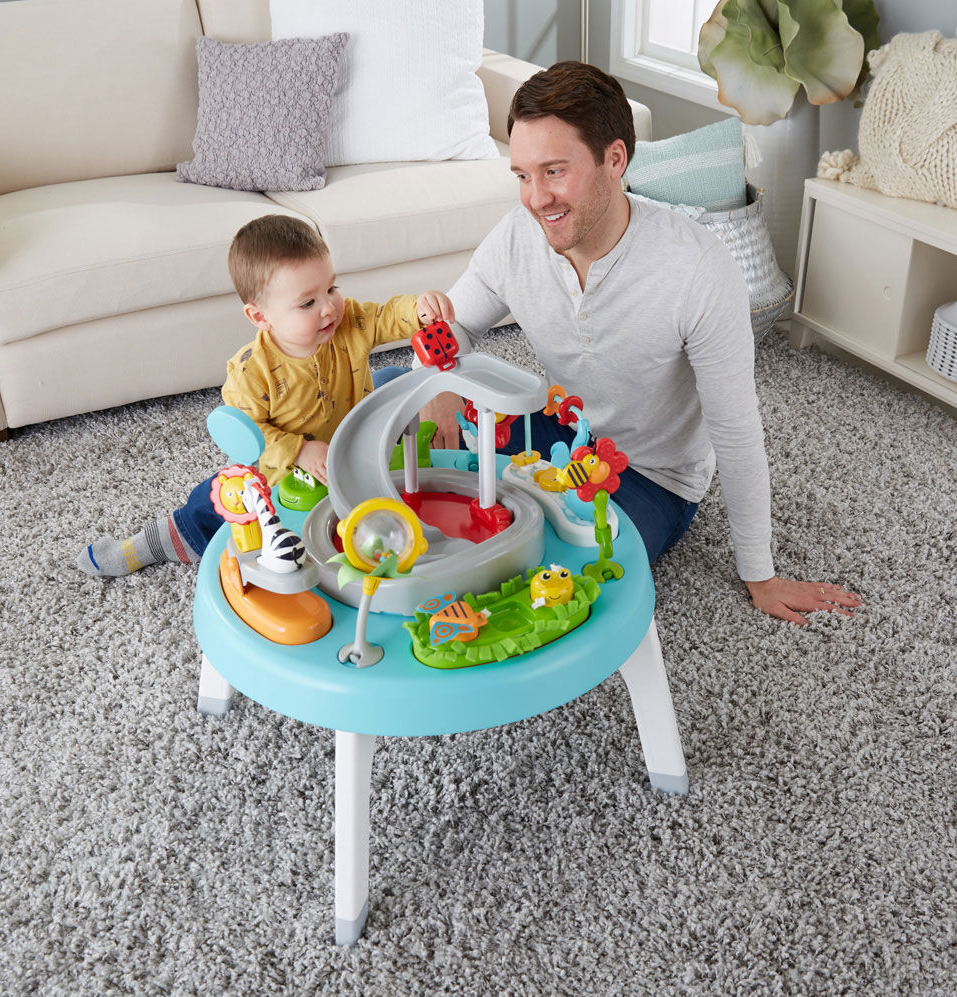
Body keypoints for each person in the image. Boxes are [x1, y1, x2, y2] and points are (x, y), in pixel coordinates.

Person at [420, 61, 861, 627]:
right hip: (558, 430)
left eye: (554, 171)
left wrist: (761, 575)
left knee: (574, 582)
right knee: (390, 400)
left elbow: (735, 427)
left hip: (650, 476)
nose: (535, 198)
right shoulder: (515, 237)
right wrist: (437, 383)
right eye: (523, 175)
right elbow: (446, 331)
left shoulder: (698, 268)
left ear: (615, 160)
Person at [76, 214, 453, 577]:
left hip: (348, 438)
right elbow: (249, 437)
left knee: (394, 380)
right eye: (308, 303)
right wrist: (299, 451)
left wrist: (418, 309)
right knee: (222, 495)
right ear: (259, 317)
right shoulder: (249, 372)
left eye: (331, 288)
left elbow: (386, 315)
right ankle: (157, 543)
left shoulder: (348, 321)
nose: (328, 307)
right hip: (281, 472)